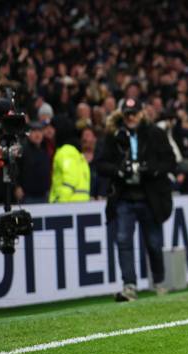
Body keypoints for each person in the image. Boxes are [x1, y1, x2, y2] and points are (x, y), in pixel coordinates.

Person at [96, 98, 176, 301]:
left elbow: (170, 161)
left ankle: (158, 282)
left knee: (153, 243)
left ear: (141, 113)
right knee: (123, 241)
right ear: (122, 115)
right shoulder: (113, 136)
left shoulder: (155, 134)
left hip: (150, 197)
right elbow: (101, 164)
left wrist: (150, 168)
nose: (131, 117)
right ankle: (129, 285)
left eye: (134, 113)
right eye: (127, 114)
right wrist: (119, 170)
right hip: (124, 197)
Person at [48, 116, 90, 203]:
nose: (50, 132)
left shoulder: (65, 151)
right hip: (79, 203)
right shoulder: (75, 151)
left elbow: (70, 178)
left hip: (68, 204)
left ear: (60, 131)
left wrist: (61, 202)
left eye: (53, 129)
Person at [15, 122, 51, 204]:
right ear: (29, 134)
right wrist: (16, 186)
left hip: (44, 195)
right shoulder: (22, 149)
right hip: (28, 196)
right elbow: (15, 169)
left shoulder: (45, 148)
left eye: (40, 131)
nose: (37, 134)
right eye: (34, 131)